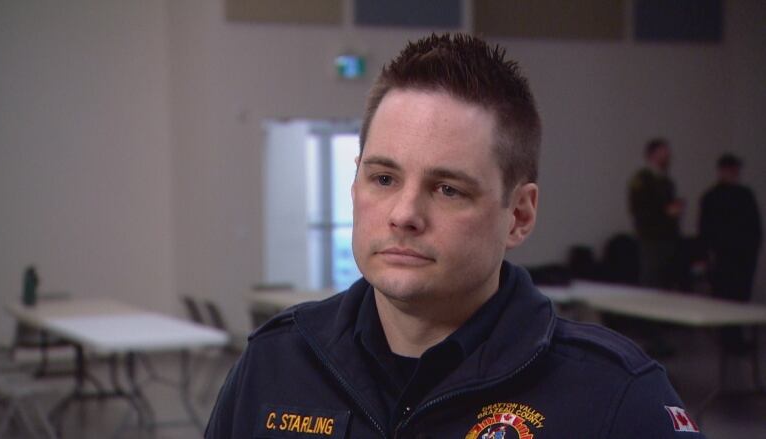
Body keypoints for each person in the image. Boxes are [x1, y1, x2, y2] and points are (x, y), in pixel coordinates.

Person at [206, 34, 703, 438]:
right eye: (383, 179)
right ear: (355, 181)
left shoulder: (613, 396)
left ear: (519, 215)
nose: (404, 214)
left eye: (447, 189)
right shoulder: (276, 364)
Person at [699, 153, 762, 354]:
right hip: (724, 257)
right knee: (726, 298)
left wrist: (753, 248)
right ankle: (728, 340)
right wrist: (708, 256)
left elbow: (755, 225)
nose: (735, 173)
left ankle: (736, 339)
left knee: (741, 298)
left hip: (743, 256)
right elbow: (705, 229)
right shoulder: (711, 197)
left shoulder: (744, 194)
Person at [627, 139, 684, 289]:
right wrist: (665, 212)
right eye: (662, 153)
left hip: (668, 237)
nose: (667, 156)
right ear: (651, 155)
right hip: (651, 237)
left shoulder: (667, 181)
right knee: (651, 280)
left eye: (667, 153)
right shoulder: (642, 179)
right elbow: (639, 208)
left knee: (666, 281)